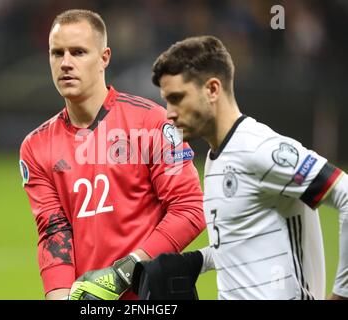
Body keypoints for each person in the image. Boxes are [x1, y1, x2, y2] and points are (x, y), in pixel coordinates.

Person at [137, 35, 348, 300]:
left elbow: (346, 194)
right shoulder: (217, 157)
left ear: (212, 89)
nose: (169, 112)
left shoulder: (259, 149)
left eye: (177, 98)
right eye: (167, 100)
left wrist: (342, 293)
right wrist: (196, 262)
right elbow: (245, 239)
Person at [19, 9, 206, 300]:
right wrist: (60, 297)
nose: (66, 63)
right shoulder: (36, 146)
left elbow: (190, 208)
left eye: (78, 52)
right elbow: (54, 231)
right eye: (57, 53)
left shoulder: (151, 123)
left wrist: (122, 275)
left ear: (104, 57)